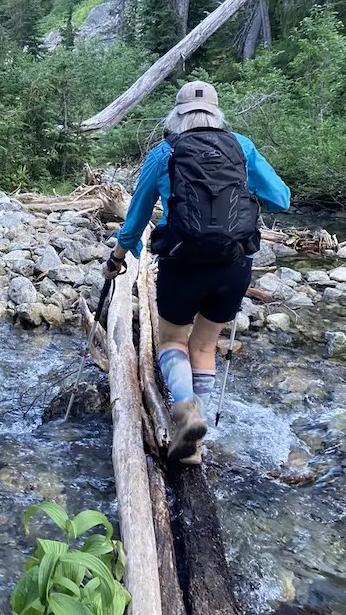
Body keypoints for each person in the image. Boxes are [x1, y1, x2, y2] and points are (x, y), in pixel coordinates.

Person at [102, 81, 290, 464]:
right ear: (217, 114)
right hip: (233, 265)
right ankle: (195, 441)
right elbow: (281, 199)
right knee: (204, 346)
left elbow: (136, 220)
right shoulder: (242, 147)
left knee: (172, 342)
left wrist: (117, 258)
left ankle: (185, 408)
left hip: (182, 262)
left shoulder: (164, 153)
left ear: (177, 115)